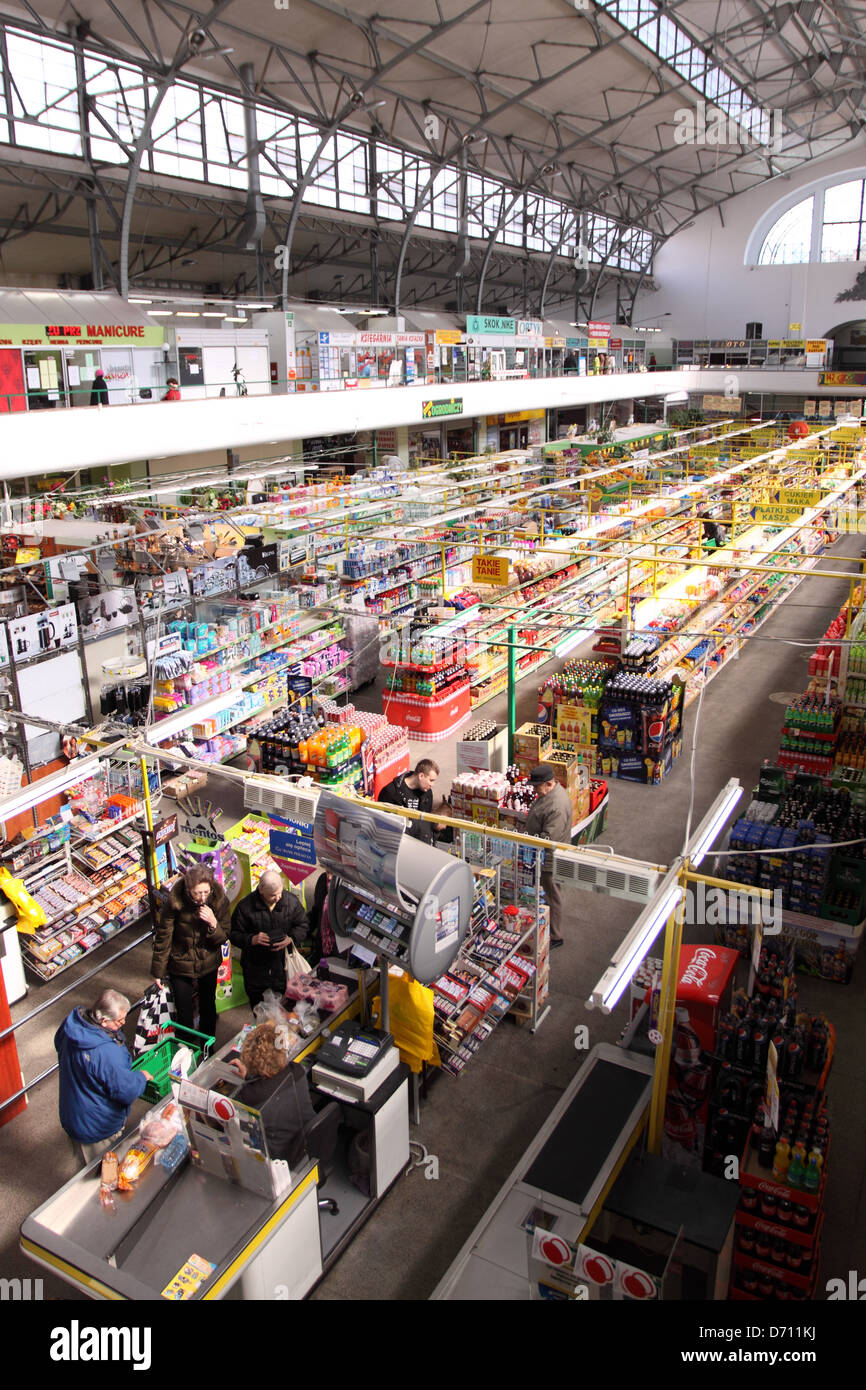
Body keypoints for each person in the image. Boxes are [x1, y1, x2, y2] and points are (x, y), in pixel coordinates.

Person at [54, 989, 152, 1165]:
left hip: (74, 1114)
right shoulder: (106, 1053)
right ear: (104, 1021)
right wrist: (141, 1078)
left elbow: (58, 1044)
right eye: (119, 1020)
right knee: (103, 1174)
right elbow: (125, 1090)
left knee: (85, 1165)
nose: (123, 1023)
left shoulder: (71, 1027)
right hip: (96, 1125)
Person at [151, 865, 231, 1039]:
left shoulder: (219, 901)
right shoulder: (175, 902)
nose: (202, 897)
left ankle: (207, 1046)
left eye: (206, 892)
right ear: (188, 890)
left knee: (208, 1006)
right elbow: (164, 935)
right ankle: (187, 1049)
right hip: (180, 961)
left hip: (208, 961)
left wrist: (213, 923)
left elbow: (223, 937)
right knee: (184, 1010)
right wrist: (158, 970)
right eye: (197, 893)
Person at [229, 1020, 317, 1169]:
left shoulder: (249, 1096)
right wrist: (250, 1078)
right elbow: (273, 1083)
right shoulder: (296, 1071)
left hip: (279, 1162)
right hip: (308, 1148)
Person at [230, 870, 309, 1012]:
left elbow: (303, 924)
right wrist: (252, 939)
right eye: (272, 895)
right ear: (261, 890)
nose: (277, 897)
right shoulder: (245, 907)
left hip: (283, 970)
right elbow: (233, 934)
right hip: (255, 972)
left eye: (280, 892)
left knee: (285, 1014)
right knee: (260, 1014)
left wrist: (291, 938)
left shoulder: (290, 902)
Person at [525, 765, 574, 947]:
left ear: (549, 784)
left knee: (553, 895)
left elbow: (549, 837)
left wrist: (527, 839)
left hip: (550, 858)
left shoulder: (557, 805)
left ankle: (555, 936)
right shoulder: (548, 795)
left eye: (537, 786)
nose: (534, 789)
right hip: (543, 854)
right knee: (549, 893)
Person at [378, 758, 440, 844]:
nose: (432, 785)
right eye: (431, 780)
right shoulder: (391, 792)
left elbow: (426, 822)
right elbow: (382, 821)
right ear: (421, 776)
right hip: (397, 843)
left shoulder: (427, 793)